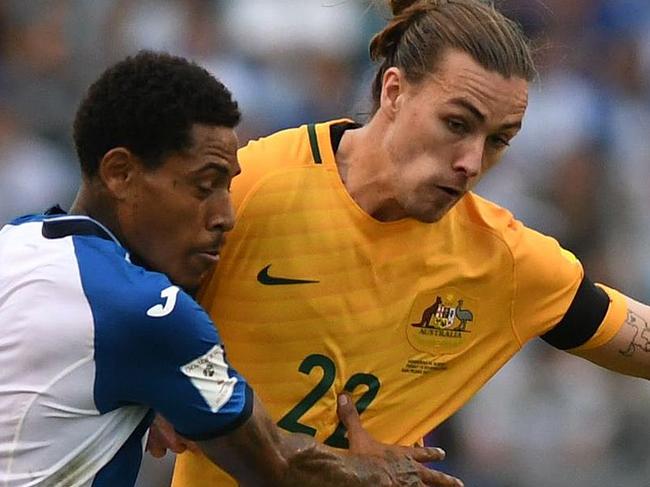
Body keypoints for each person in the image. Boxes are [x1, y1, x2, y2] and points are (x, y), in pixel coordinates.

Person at [171, 0, 650, 485]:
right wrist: (169, 390)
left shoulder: (502, 258)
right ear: (395, 92)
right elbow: (119, 297)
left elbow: (624, 330)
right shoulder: (250, 188)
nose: (471, 161)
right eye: (457, 124)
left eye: (498, 140)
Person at [0, 50, 464, 487]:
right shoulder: (146, 312)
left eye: (228, 187)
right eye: (205, 186)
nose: (227, 214)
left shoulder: (17, 242)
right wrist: (378, 471)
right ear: (120, 173)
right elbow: (278, 465)